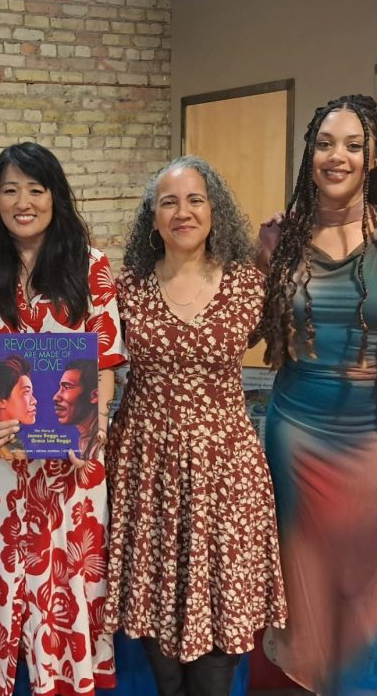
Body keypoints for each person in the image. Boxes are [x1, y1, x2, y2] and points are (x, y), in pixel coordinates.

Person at [0, 141, 126, 696]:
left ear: (56, 196)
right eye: (9, 190)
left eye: (36, 189)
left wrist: (92, 427)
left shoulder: (90, 265)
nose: (23, 202)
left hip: (70, 468)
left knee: (63, 596)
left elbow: (107, 362)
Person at [253, 94, 377, 696]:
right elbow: (240, 324)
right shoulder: (276, 239)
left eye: (353, 144)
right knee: (299, 580)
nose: (337, 156)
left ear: (374, 156)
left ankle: (358, 684)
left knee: (367, 582)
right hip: (296, 433)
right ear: (310, 152)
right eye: (325, 143)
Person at [104, 155, 287, 696]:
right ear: (152, 218)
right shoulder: (124, 289)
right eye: (169, 202)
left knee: (222, 630)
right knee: (158, 626)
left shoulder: (249, 285)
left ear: (215, 211)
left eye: (195, 199)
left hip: (226, 475)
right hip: (145, 471)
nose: (183, 212)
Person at [53, 359, 101, 459]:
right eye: (60, 388)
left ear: (94, 396)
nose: (56, 397)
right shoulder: (86, 439)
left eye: (67, 387)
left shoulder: (99, 441)